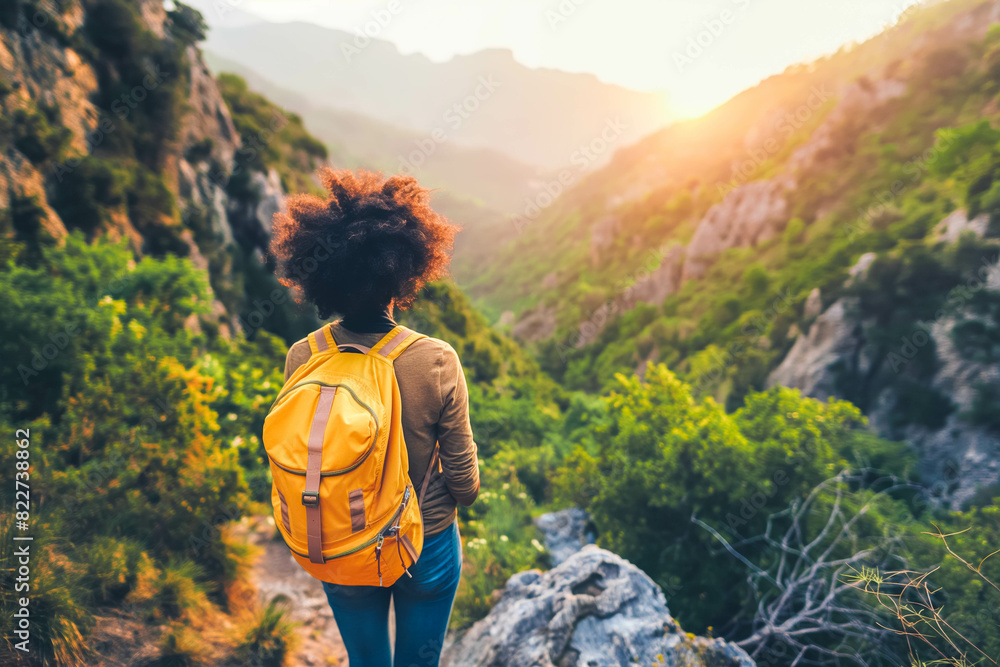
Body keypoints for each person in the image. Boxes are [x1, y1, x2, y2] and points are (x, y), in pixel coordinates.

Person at [269, 167, 480, 666]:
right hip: (423, 542)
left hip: (339, 539)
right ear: (403, 271)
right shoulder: (435, 359)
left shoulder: (305, 355)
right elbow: (466, 485)